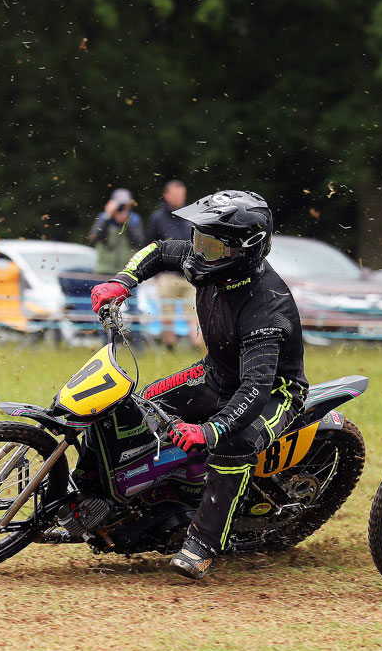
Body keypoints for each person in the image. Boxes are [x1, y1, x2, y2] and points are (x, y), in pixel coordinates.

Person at [89, 190, 307, 580]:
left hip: (275, 392)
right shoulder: (209, 259)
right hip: (217, 373)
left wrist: (210, 430)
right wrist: (121, 282)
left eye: (209, 243)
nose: (197, 251)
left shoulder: (266, 308)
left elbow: (255, 389)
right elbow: (157, 250)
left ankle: (203, 542)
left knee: (233, 443)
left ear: (246, 248)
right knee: (136, 406)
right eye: (197, 239)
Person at [145, 179, 201, 349]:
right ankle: (169, 346)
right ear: (167, 196)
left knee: (194, 313)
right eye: (176, 194)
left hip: (189, 274)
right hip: (167, 274)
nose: (180, 198)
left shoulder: (191, 216)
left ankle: (197, 346)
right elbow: (150, 244)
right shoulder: (157, 218)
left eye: (182, 194)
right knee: (167, 313)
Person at [88, 188, 146, 276]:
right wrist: (107, 217)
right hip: (103, 270)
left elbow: (139, 242)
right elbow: (93, 238)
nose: (122, 208)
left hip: (128, 271)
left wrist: (126, 224)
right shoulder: (104, 217)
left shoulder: (134, 219)